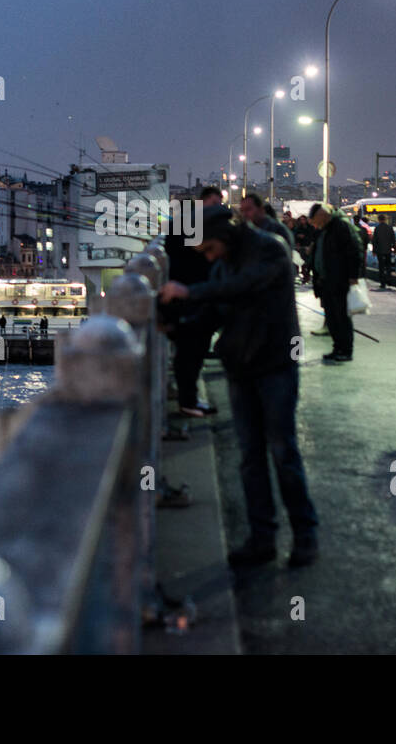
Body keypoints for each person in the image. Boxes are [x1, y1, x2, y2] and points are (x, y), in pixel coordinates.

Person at [159, 206, 319, 568]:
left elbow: (240, 287)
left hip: (275, 364)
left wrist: (188, 291)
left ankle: (305, 535)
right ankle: (262, 539)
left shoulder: (271, 249)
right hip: (240, 366)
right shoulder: (224, 261)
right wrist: (176, 325)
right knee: (250, 458)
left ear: (225, 237)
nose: (209, 257)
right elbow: (216, 311)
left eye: (210, 249)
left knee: (283, 452)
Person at [161, 185, 225, 419]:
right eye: (216, 203)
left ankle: (189, 398)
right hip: (190, 295)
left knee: (191, 351)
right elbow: (195, 259)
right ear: (207, 201)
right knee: (190, 351)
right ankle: (188, 401)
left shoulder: (187, 221)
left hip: (189, 293)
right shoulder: (194, 224)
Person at [309, 203, 364, 363]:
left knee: (341, 317)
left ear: (323, 215)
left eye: (315, 220)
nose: (314, 224)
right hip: (326, 280)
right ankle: (337, 348)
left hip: (339, 280)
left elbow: (354, 251)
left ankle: (346, 350)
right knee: (332, 317)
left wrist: (352, 276)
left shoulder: (340, 227)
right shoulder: (325, 229)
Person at [372, 216, 396, 291]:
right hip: (388, 250)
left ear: (379, 220)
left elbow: (374, 241)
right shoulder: (389, 228)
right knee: (388, 265)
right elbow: (393, 239)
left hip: (380, 251)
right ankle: (389, 279)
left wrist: (374, 251)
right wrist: (394, 249)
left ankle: (382, 283)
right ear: (385, 220)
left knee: (381, 266)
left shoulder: (377, 228)